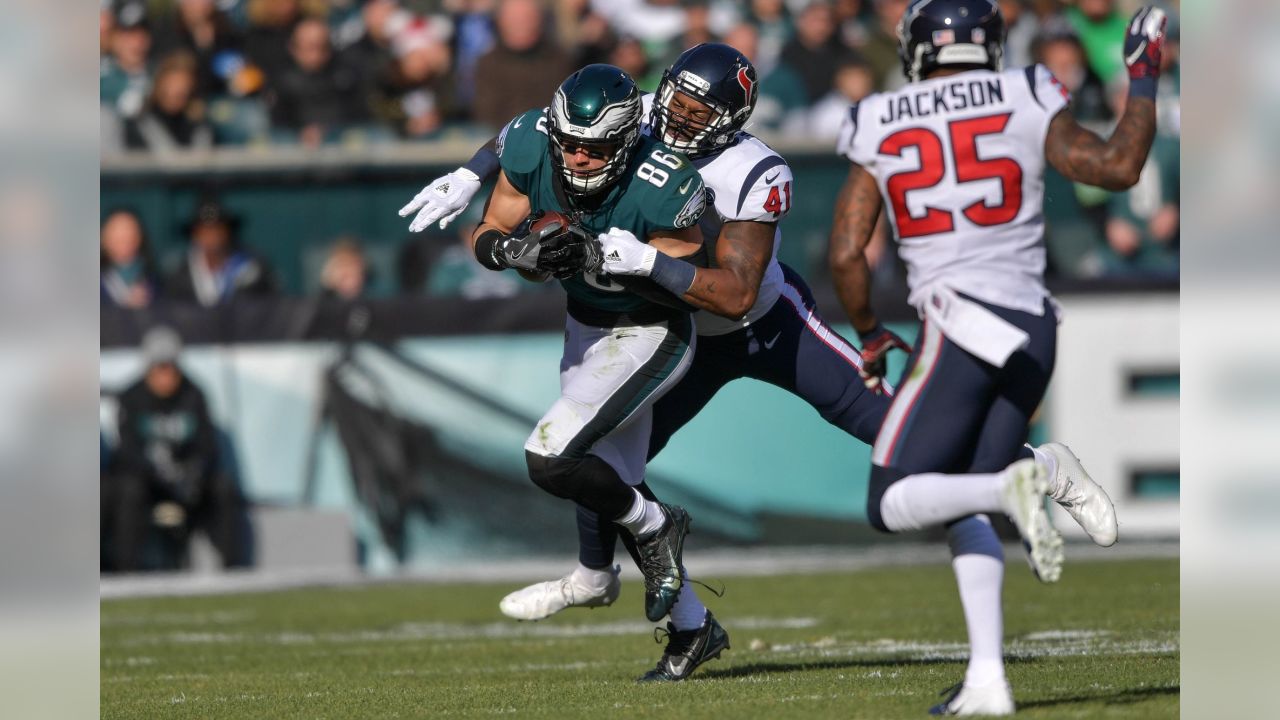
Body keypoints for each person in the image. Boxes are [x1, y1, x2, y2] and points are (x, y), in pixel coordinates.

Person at [399, 43, 1106, 683]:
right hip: (660, 328)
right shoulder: (635, 116)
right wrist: (472, 173)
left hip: (759, 324)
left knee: (897, 433)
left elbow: (735, 294)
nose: (673, 118)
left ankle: (1042, 466)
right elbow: (543, 129)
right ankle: (664, 616)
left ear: (729, 120)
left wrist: (640, 258)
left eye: (693, 111)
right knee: (602, 469)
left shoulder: (752, 169)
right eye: (670, 101)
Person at [826, 1, 1162, 713]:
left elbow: (847, 252)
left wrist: (869, 330)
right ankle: (988, 679)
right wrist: (1144, 79)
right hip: (1034, 323)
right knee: (959, 498)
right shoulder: (1026, 89)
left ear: (917, 48)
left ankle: (1030, 478)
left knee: (891, 500)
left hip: (961, 322)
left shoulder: (881, 115)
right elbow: (1118, 167)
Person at [438, 65, 712, 645]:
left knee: (552, 456)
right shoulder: (535, 143)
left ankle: (655, 525)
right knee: (610, 479)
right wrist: (516, 252)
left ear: (624, 139)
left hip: (650, 329)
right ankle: (690, 625)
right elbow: (487, 229)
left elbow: (688, 282)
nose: (579, 159)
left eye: (593, 148)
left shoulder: (663, 180)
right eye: (570, 144)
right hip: (585, 325)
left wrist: (607, 257)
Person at [103, 327, 246, 571]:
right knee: (127, 490)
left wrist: (193, 473)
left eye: (171, 367)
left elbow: (207, 446)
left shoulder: (194, 394)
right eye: (159, 367)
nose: (166, 375)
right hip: (149, 485)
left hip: (187, 485)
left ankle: (233, 569)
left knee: (222, 488)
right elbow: (127, 452)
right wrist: (158, 474)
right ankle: (125, 571)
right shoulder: (131, 397)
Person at [167, 196, 278, 306]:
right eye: (205, 231)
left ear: (227, 232)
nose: (211, 237)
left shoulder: (251, 269)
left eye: (216, 229)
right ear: (195, 234)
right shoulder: (180, 277)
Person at [101, 209, 161, 309]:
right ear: (103, 237)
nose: (123, 236)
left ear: (140, 236)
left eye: (130, 229)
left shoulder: (154, 281)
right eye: (116, 230)